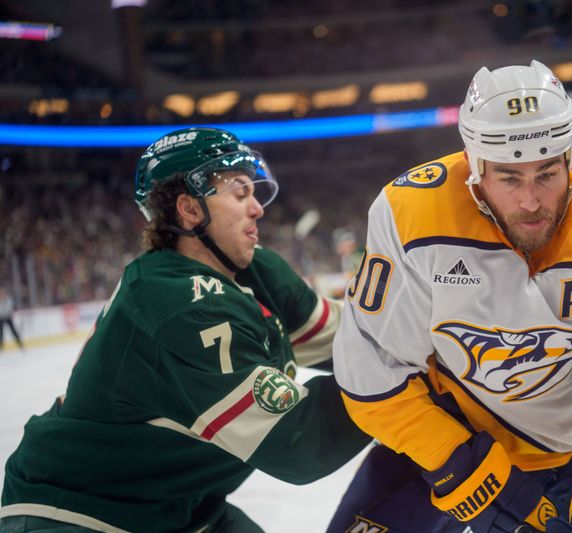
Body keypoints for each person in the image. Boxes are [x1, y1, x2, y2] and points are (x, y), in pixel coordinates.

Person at [328, 60, 572, 533]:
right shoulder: (410, 215)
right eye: (509, 178)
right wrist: (469, 474)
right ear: (474, 166)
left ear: (569, 157)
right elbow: (371, 375)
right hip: (445, 438)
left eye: (547, 174)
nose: (531, 201)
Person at [1, 127, 371, 532]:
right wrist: (402, 385)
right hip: (77, 513)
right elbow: (299, 441)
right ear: (190, 210)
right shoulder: (178, 301)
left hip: (176, 504)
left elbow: (355, 340)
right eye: (239, 192)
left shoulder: (255, 269)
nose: (258, 208)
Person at [0, 286, 24, 352]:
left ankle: (20, 344)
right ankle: (1, 346)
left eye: (2, 292)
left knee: (14, 332)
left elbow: (10, 308)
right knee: (1, 333)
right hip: (1, 318)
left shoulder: (8, 299)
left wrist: (7, 313)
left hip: (8, 317)